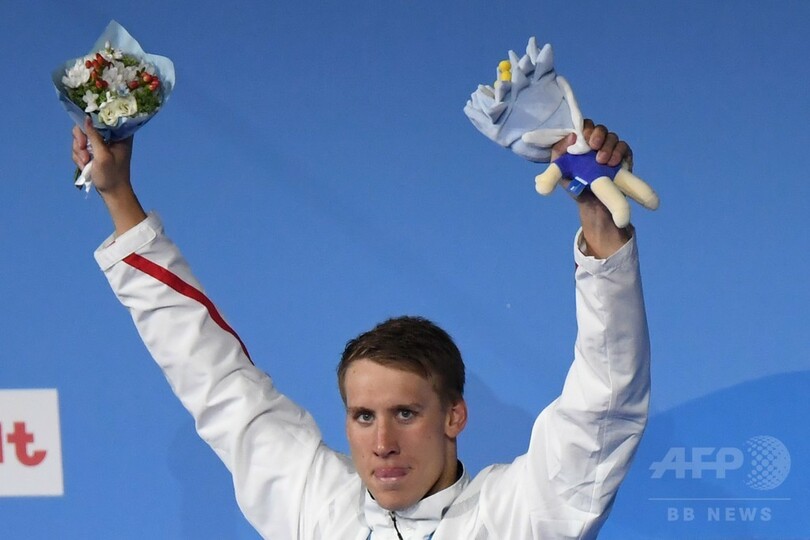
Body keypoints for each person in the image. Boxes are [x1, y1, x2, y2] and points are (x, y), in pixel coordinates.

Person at [71, 118, 650, 539]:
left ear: (454, 416)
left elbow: (606, 398)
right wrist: (119, 198)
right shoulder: (319, 508)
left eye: (406, 413)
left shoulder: (518, 514)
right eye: (364, 416)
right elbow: (211, 375)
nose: (382, 443)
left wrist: (600, 227)